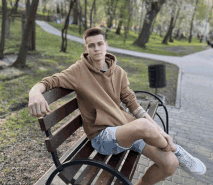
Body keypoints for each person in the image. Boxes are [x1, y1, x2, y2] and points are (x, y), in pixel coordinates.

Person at [28, 27, 206, 185]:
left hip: (127, 129)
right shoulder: (78, 71)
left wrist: (159, 132)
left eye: (99, 44)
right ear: (85, 48)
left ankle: (175, 155)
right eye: (91, 45)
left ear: (106, 45)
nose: (96, 48)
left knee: (170, 164)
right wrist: (34, 93)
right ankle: (177, 150)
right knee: (147, 129)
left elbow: (134, 105)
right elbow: (49, 82)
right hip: (102, 136)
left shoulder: (118, 72)